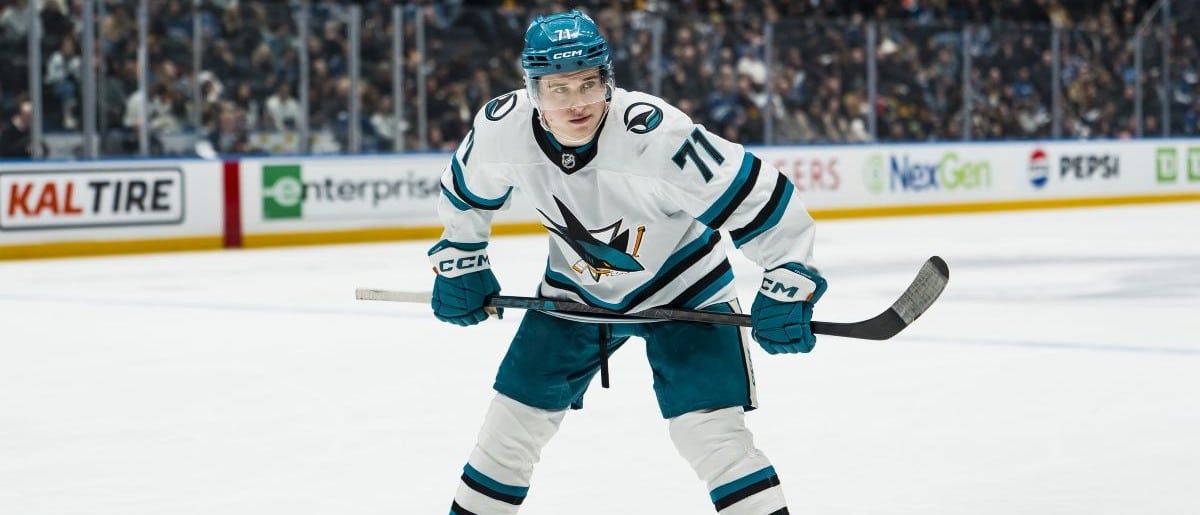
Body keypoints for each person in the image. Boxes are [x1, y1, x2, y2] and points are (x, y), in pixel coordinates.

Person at [430, 9, 825, 515]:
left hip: (685, 288)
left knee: (711, 436)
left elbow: (758, 196)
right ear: (531, 90)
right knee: (510, 427)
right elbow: (464, 192)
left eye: (588, 85)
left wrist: (789, 276)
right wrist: (461, 257)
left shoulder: (657, 137)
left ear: (608, 80)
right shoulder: (500, 131)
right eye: (558, 89)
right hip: (575, 292)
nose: (576, 104)